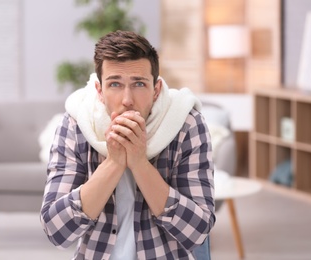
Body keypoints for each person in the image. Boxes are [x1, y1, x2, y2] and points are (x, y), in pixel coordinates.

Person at [40, 30, 215, 260]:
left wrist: (140, 163)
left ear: (156, 90)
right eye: (114, 84)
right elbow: (56, 231)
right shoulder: (77, 124)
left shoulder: (186, 124)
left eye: (139, 84)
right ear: (99, 91)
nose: (127, 100)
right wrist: (113, 162)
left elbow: (198, 231)